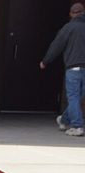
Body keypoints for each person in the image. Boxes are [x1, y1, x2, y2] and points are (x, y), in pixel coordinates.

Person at [41, 3, 85, 137]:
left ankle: (77, 126)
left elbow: (57, 45)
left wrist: (45, 60)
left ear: (71, 14)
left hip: (73, 68)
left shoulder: (68, 28)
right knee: (78, 97)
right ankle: (64, 120)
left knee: (73, 97)